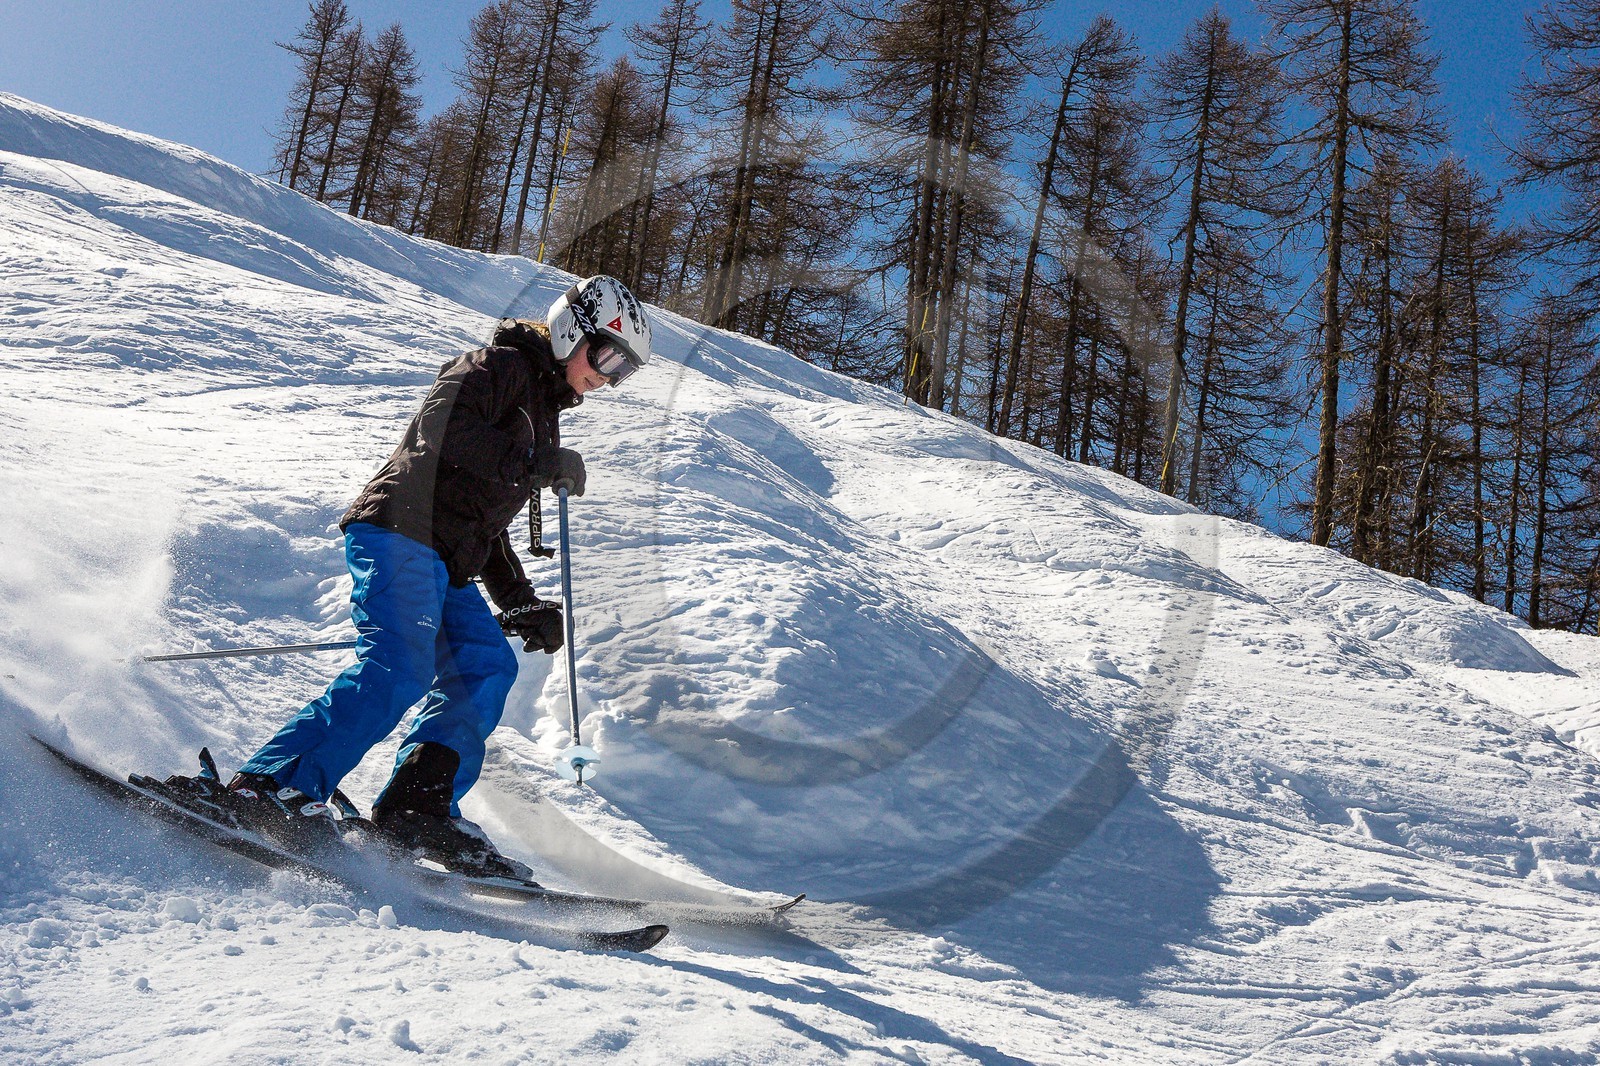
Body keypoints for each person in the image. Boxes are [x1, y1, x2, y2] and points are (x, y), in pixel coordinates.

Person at [218, 276, 652, 877]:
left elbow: (487, 521)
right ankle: (267, 786)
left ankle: (417, 805)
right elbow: (440, 434)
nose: (606, 377)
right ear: (569, 326)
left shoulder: (543, 411)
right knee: (399, 664)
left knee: (487, 664)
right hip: (399, 529)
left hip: (445, 558)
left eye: (622, 370)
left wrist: (521, 600)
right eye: (605, 356)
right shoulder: (492, 366)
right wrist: (532, 461)